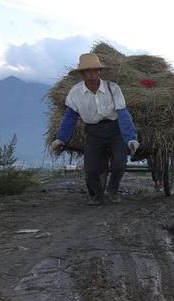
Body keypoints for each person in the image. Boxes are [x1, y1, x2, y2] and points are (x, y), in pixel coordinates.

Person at [51, 53, 140, 205]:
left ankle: (112, 190)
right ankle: (97, 195)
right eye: (88, 71)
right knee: (91, 169)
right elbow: (69, 118)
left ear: (100, 71)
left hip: (114, 130)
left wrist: (131, 138)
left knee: (119, 163)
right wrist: (61, 139)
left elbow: (123, 115)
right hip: (93, 132)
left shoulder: (113, 89)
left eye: (95, 70)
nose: (92, 74)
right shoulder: (75, 93)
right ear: (83, 74)